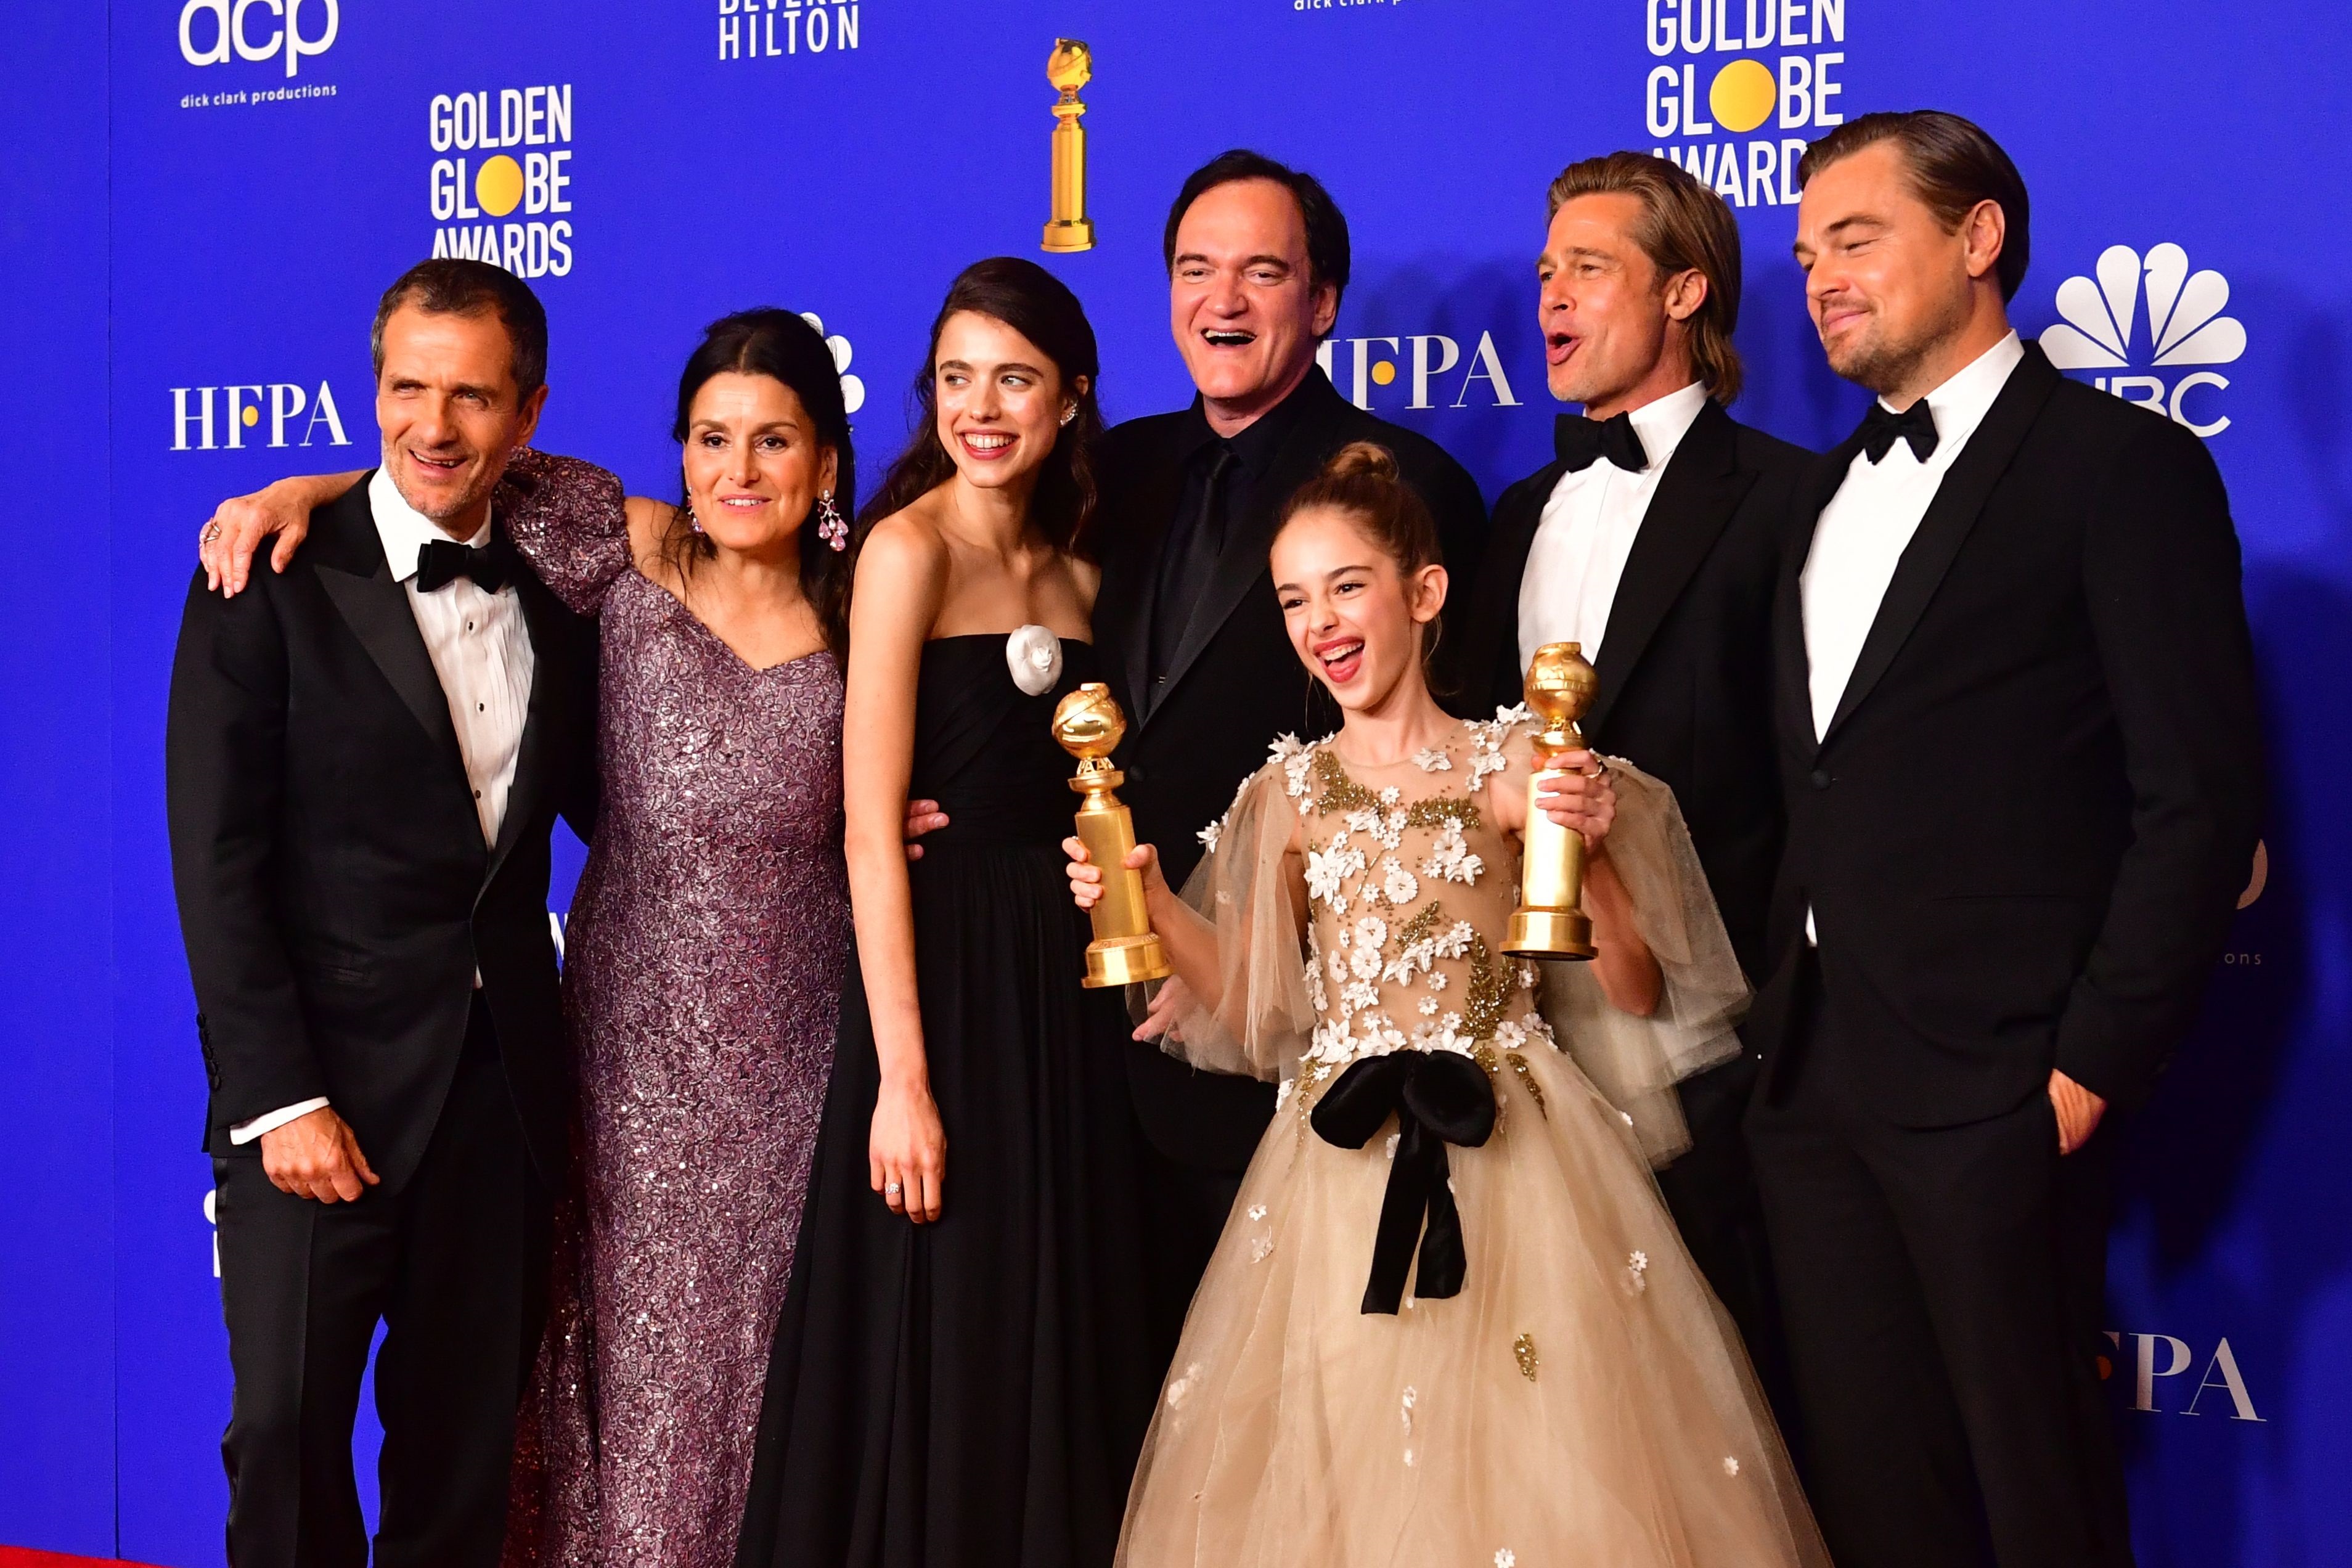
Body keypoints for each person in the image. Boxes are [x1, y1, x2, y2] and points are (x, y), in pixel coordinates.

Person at [1065, 443, 1828, 1567]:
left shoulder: (1516, 763)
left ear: (1424, 594)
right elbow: (1259, 1015)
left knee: (1546, 1462)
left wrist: (1585, 852)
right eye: (1293, 598)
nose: (1320, 622)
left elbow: (1633, 986)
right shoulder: (1287, 793)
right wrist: (1149, 905)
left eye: (1346, 586)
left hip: (1521, 1156)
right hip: (1335, 1168)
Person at [200, 308, 862, 1567]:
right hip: (581, 1051)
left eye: (774, 440)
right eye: (712, 438)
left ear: (825, 459)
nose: (738, 468)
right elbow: (439, 472)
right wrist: (300, 487)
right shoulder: (625, 557)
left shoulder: (871, 596)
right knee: (320, 1425)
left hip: (749, 1053)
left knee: (505, 1436)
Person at [1748, 111, 2263, 1568]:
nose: (1823, 278)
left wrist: (2088, 1064)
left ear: (1978, 239)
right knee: (1875, 1505)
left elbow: (2197, 803)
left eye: (1858, 239)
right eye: (1807, 252)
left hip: (1999, 1087)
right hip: (1813, 1084)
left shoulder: (2120, 468)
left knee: (2039, 1506)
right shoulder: (1818, 494)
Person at [166, 258, 598, 1567]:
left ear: (528, 415)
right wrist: (279, 1099)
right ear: (373, 391)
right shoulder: (268, 572)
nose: (434, 426)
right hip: (320, 1095)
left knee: (461, 1460)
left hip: (499, 1097)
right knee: (285, 1436)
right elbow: (217, 862)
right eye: (408, 389)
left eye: (472, 397)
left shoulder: (565, 593)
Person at [732, 257, 1158, 1568]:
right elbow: (871, 829)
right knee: (953, 1312)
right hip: (947, 988)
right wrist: (901, 1082)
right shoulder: (905, 550)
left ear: (1071, 397)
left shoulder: (1087, 574)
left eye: (1014, 379)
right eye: (957, 378)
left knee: (1063, 1308)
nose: (981, 407)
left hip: (1070, 991)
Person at [1087, 149, 1491, 1358]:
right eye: (1195, 269)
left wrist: (1245, 972)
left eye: (1261, 273)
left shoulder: (1408, 486)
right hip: (1088, 1049)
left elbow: (1441, 790)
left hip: (1290, 1056)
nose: (1222, 300)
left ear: (1321, 304)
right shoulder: (1108, 473)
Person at [1451, 150, 1807, 1411]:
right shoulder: (1516, 513)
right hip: (1520, 1041)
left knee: (1727, 1411)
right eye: (1547, 270)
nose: (1551, 295)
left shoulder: (1791, 502)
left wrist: (1772, 1033)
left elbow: (1814, 780)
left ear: (1684, 292)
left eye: (1589, 269)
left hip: (1712, 1058)